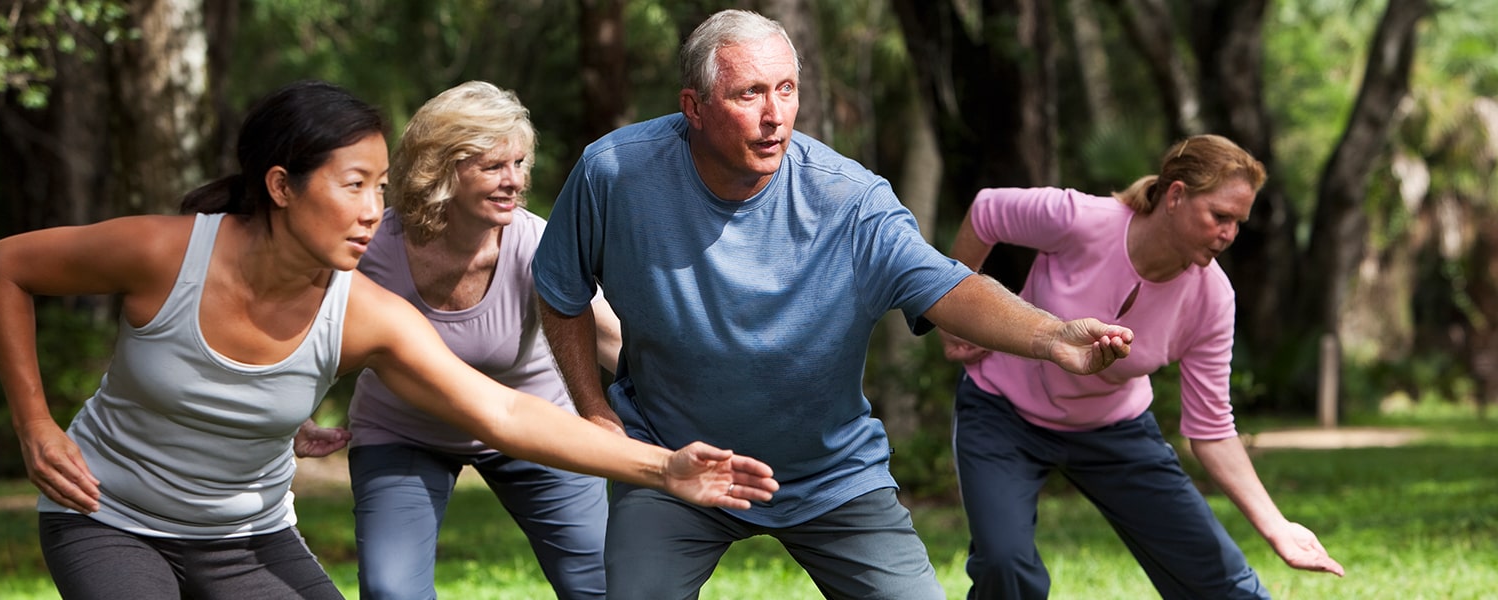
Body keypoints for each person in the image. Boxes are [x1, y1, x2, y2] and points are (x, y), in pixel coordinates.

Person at [0, 79, 778, 600]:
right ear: (282, 188)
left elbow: (503, 416)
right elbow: (4, 266)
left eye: (380, 189)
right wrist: (35, 424)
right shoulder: (166, 252)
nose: (371, 210)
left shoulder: (366, 310)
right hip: (109, 515)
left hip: (245, 535)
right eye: (353, 185)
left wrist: (665, 465)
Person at [531, 10, 1134, 600]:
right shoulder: (614, 174)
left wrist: (1051, 337)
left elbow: (949, 286)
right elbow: (560, 292)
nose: (775, 117)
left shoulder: (849, 200)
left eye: (786, 90)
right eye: (750, 94)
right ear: (694, 106)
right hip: (675, 462)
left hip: (831, 474)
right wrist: (595, 410)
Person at [940, 134, 1345, 599]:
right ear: (1175, 196)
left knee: (1220, 581)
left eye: (1238, 223)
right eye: (1220, 216)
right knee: (1004, 565)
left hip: (1115, 431)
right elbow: (988, 210)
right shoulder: (1083, 220)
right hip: (1003, 413)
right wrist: (958, 309)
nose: (1229, 234)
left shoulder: (1212, 298)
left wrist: (1277, 528)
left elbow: (1211, 427)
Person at [308, 80, 621, 599]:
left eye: (520, 163)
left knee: (605, 586)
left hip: (532, 422)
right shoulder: (375, 249)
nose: (514, 181)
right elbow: (314, 332)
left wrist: (688, 395)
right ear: (442, 170)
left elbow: (609, 338)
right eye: (494, 166)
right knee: (391, 591)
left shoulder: (534, 244)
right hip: (403, 430)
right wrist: (294, 409)